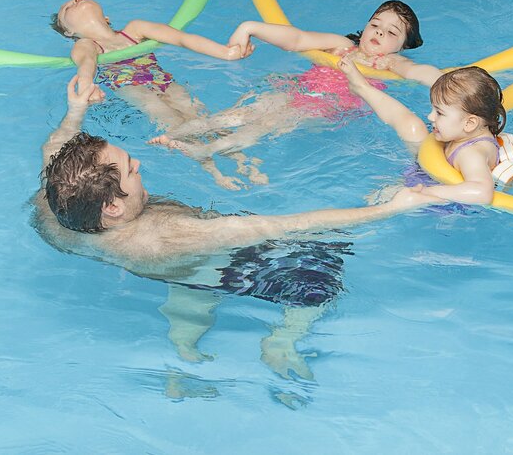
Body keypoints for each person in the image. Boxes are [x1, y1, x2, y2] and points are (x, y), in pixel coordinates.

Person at [32, 76, 433, 386]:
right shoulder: (170, 236)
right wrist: (387, 208)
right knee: (321, 269)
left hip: (165, 267)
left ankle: (184, 355)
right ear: (113, 206)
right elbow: (281, 226)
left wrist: (75, 110)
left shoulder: (55, 206)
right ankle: (281, 342)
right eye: (130, 168)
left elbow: (55, 151)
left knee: (189, 284)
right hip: (204, 260)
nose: (137, 162)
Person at [148, 0, 443, 159]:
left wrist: (447, 82)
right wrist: (249, 27)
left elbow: (422, 73)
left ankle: (203, 151)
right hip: (296, 91)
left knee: (265, 125)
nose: (379, 33)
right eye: (375, 25)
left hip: (323, 108)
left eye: (391, 33)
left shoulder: (390, 63)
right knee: (241, 113)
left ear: (404, 45)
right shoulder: (340, 45)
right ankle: (176, 134)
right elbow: (297, 38)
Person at [52, 0, 263, 189]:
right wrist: (87, 88)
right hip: (134, 89)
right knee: (176, 124)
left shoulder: (135, 29)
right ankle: (215, 172)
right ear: (70, 32)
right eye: (66, 7)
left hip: (164, 82)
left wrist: (225, 53)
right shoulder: (86, 44)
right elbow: (87, 65)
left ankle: (243, 161)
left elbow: (181, 39)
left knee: (199, 118)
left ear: (106, 18)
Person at [340, 58, 513, 206]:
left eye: (439, 113)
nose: (431, 116)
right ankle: (362, 88)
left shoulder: (471, 154)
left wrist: (423, 192)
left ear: (470, 123)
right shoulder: (469, 132)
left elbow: (482, 192)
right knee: (410, 124)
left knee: (378, 199)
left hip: (442, 202)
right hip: (432, 170)